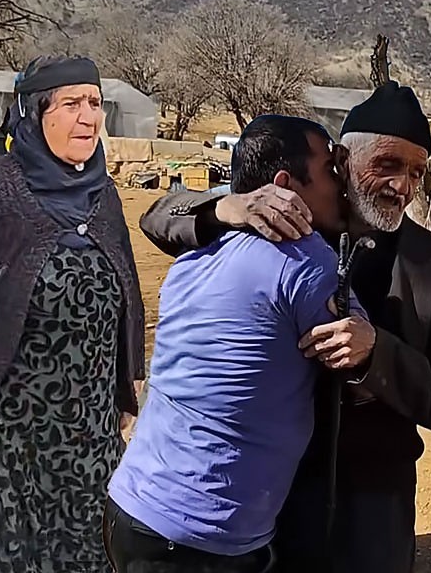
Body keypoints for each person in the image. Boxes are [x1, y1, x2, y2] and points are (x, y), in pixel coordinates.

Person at [136, 81, 431, 573]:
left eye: (416, 172)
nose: (403, 185)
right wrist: (224, 206)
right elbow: (158, 217)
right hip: (271, 495)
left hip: (374, 510)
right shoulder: (288, 221)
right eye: (387, 164)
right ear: (341, 160)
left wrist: (377, 354)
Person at [103, 115, 370, 571]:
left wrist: (223, 207)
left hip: (132, 506)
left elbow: (165, 216)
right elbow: (353, 352)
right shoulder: (306, 262)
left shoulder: (198, 250)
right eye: (330, 169)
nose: (341, 182)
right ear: (286, 186)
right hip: (201, 537)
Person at [0, 55, 146, 573]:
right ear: (35, 113)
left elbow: (125, 290)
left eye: (94, 104)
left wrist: (124, 383)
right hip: (3, 441)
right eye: (71, 104)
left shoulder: (104, 195)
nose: (88, 117)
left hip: (86, 443)